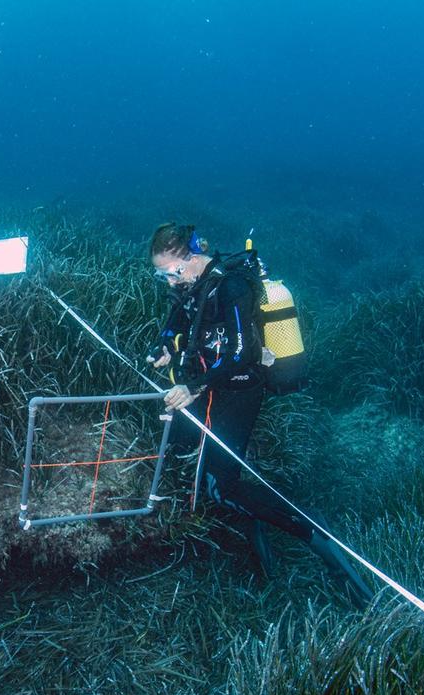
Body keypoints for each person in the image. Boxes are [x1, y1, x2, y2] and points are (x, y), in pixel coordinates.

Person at [146, 222, 374, 607]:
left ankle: (317, 537)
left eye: (173, 272)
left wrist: (195, 385)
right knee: (195, 460)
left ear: (192, 258)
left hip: (239, 391)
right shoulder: (191, 289)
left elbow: (243, 354)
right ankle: (258, 542)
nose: (169, 281)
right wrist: (165, 349)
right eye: (162, 274)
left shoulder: (232, 288)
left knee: (222, 488)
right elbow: (174, 328)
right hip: (211, 390)